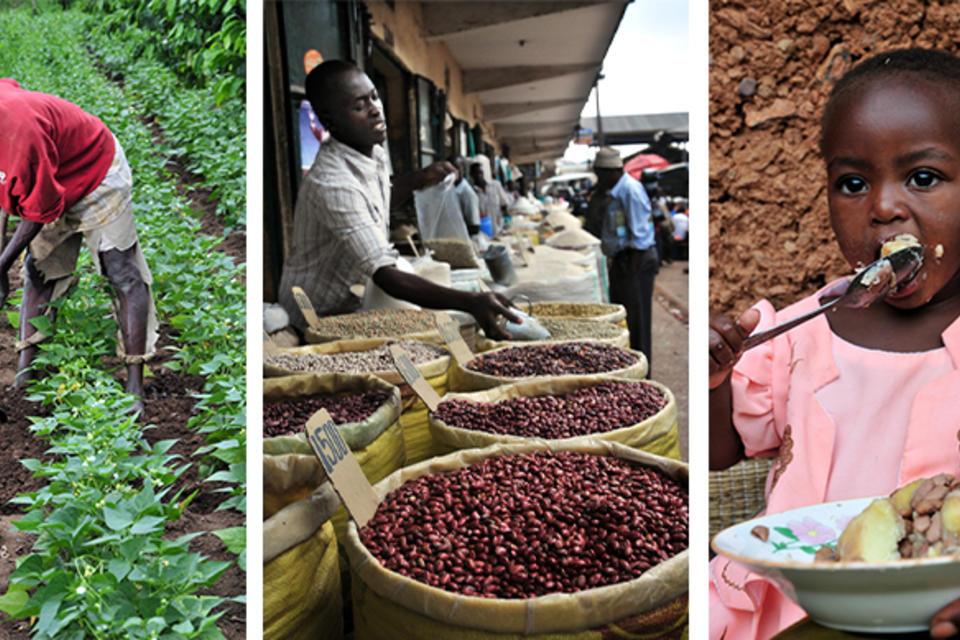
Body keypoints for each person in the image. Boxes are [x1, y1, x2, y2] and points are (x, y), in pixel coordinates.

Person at [708, 49, 960, 640]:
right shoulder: (799, 332)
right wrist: (717, 375)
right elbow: (724, 448)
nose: (884, 207)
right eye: (852, 183)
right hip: (790, 610)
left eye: (924, 178)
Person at [278, 61, 518, 338]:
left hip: (355, 301)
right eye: (359, 106)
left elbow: (378, 199)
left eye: (374, 97)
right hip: (315, 315)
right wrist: (471, 302)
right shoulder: (332, 183)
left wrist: (420, 178)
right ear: (331, 122)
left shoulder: (372, 152)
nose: (375, 109)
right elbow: (386, 276)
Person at [0, 78, 158, 413]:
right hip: (50, 176)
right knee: (38, 270)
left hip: (96, 172)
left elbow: (39, 211)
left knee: (121, 272)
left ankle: (134, 387)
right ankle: (26, 374)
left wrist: (1, 265)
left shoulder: (21, 133)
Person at [593, 147, 658, 374]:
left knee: (637, 321)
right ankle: (631, 366)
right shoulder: (616, 191)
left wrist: (630, 268)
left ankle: (642, 372)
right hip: (625, 260)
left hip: (635, 261)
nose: (598, 180)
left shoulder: (630, 190)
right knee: (626, 318)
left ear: (610, 172)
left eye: (599, 175)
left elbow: (640, 235)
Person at [470, 162, 510, 236]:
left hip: (499, 230)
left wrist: (507, 222)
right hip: (484, 233)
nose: (479, 175)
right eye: (476, 173)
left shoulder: (496, 185)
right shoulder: (472, 192)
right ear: (471, 175)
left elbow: (504, 205)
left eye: (480, 173)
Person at [448, 155, 481, 237]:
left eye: (456, 168)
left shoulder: (468, 194)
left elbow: (474, 227)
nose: (452, 171)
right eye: (448, 168)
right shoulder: (448, 189)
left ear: (463, 170)